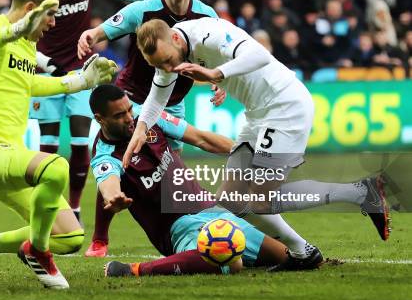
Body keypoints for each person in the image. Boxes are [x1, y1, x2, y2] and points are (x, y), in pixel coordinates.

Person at [125, 17, 391, 271]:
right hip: (258, 115)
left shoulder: (208, 35)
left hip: (284, 106)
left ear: (174, 37)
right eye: (161, 66)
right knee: (231, 200)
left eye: (169, 61)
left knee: (260, 200)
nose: (169, 69)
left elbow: (260, 55)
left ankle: (360, 193)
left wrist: (215, 73)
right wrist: (140, 130)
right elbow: (156, 97)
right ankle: (303, 252)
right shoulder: (168, 51)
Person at [0, 0, 117, 291]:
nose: (53, 23)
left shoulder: (26, 49)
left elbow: (27, 84)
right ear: (29, 9)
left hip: (7, 155)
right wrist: (14, 30)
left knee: (69, 236)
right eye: (50, 14)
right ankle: (37, 251)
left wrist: (79, 81)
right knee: (56, 167)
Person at [77, 0, 222, 257]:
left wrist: (219, 83)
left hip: (174, 100)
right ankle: (100, 238)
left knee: (171, 170)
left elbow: (220, 57)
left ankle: (181, 229)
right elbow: (102, 31)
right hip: (133, 99)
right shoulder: (142, 11)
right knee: (119, 161)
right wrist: (88, 36)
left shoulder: (208, 16)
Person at [88, 84, 289, 276]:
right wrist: (114, 197)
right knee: (231, 263)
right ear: (100, 119)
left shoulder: (148, 117)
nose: (129, 118)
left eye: (129, 110)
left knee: (286, 255)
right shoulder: (105, 156)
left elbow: (201, 138)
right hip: (178, 227)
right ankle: (133, 269)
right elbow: (108, 184)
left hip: (210, 208)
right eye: (119, 115)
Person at [26, 0, 150, 223]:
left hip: (82, 71)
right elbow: (21, 32)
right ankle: (52, 208)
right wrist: (43, 62)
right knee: (49, 146)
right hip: (47, 73)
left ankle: (76, 207)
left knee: (81, 141)